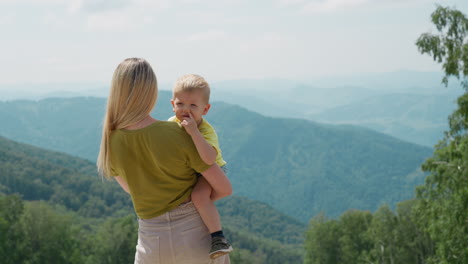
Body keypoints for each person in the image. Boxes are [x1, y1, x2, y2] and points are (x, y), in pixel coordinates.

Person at [96, 58, 232, 264]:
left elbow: (133, 189)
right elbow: (224, 188)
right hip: (195, 236)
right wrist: (196, 202)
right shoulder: (180, 133)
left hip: (150, 242)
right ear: (151, 92)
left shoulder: (110, 141)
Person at [168, 74, 233, 259]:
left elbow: (209, 158)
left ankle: (218, 237)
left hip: (212, 171)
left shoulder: (205, 130)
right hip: (192, 171)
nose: (185, 110)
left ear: (205, 109)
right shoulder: (171, 124)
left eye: (193, 106)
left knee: (198, 196)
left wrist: (194, 133)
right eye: (180, 104)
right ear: (172, 104)